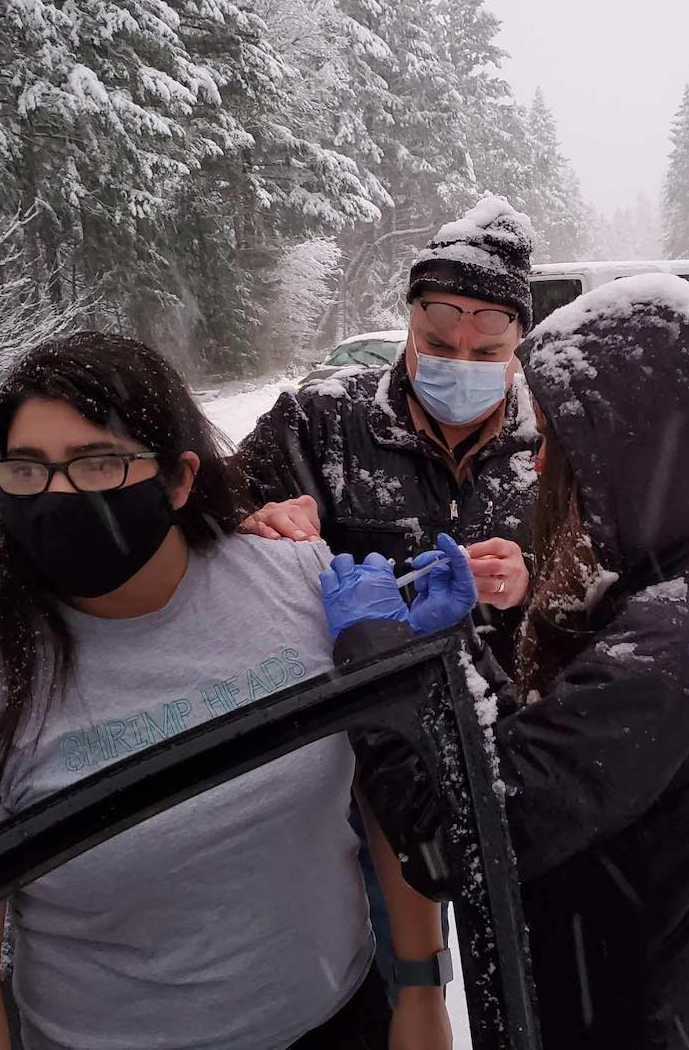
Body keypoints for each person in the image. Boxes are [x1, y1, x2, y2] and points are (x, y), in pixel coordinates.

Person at [0, 332, 451, 1050]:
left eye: (98, 463)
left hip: (343, 1021)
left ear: (178, 479)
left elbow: (383, 791)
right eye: (28, 470)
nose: (60, 496)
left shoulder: (297, 579)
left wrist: (422, 985)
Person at [323, 275, 689, 1048]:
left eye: (560, 447)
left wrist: (376, 660)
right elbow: (550, 768)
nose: (539, 471)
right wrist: (454, 647)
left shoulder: (688, 637)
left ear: (630, 450)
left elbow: (459, 840)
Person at [236, 195, 541, 986]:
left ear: (519, 343)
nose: (460, 364)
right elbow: (207, 522)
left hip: (503, 769)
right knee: (389, 980)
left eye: (487, 348)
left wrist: (532, 586)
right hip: (353, 783)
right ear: (408, 320)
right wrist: (260, 517)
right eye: (439, 341)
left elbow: (609, 584)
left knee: (517, 976)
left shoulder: (552, 447)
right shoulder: (323, 423)